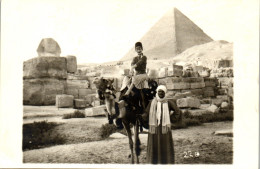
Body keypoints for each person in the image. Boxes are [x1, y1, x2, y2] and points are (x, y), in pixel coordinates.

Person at [142, 85, 181, 164]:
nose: (160, 93)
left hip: (164, 128)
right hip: (154, 128)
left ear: (165, 93)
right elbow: (146, 113)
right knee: (154, 145)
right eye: (159, 91)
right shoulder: (152, 102)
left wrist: (170, 119)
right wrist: (142, 118)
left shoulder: (169, 102)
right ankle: (153, 162)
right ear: (157, 92)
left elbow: (177, 111)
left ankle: (166, 162)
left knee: (165, 144)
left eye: (162, 91)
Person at [125, 42, 149, 110]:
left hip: (143, 75)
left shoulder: (144, 57)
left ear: (142, 49)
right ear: (135, 50)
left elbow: (139, 63)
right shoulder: (134, 58)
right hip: (136, 75)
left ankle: (128, 93)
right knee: (126, 80)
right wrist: (131, 70)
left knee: (134, 79)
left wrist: (133, 67)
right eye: (137, 49)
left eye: (140, 48)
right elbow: (132, 64)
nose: (139, 50)